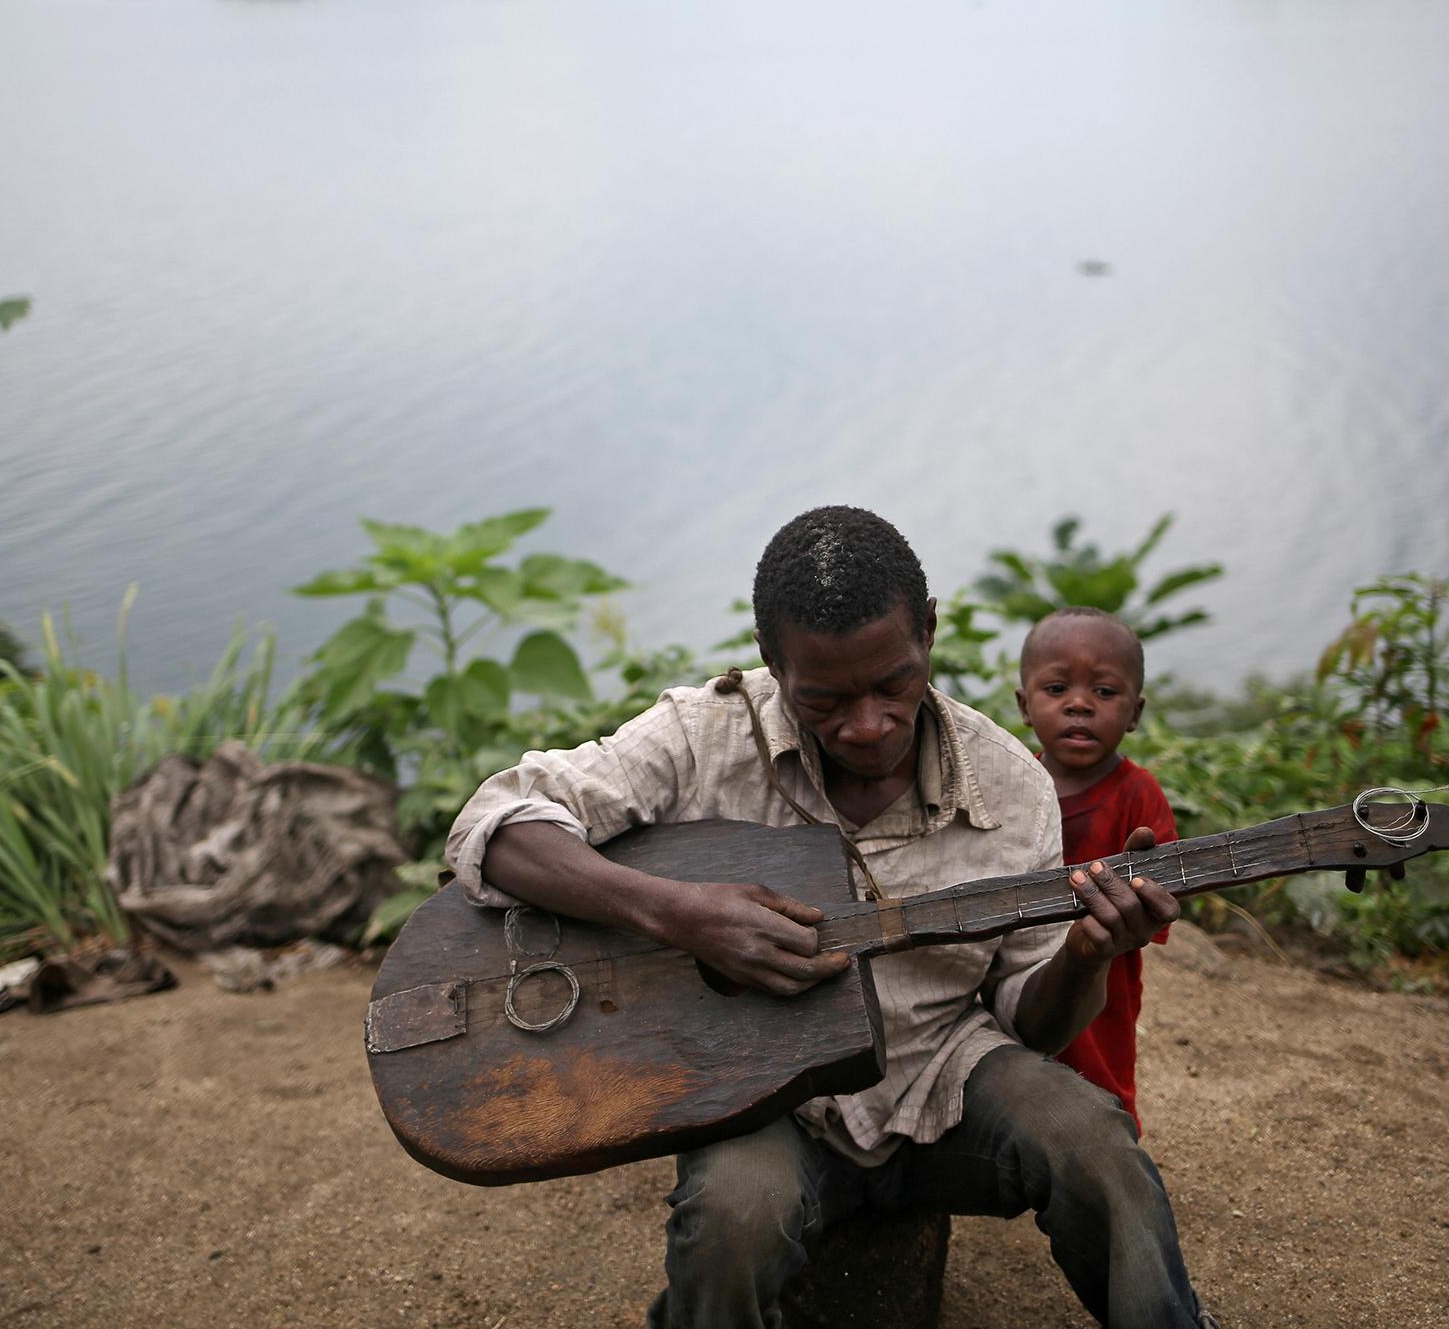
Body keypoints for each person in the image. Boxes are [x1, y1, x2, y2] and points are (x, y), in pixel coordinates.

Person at [445, 506, 1214, 1329]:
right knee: (732, 1221)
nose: (869, 724)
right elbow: (495, 824)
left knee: (1100, 1151)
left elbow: (1034, 1021)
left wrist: (1087, 954)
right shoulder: (701, 738)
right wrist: (679, 914)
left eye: (894, 683)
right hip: (768, 1103)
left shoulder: (1011, 785)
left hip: (943, 1074)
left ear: (927, 631)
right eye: (825, 699)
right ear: (772, 662)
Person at [1017, 607, 1179, 1133]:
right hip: (1020, 968)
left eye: (1105, 693)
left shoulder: (1139, 795)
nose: (1080, 704)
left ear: (1135, 711)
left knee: (1098, 1077)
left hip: (1106, 976)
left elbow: (1168, 889)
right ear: (1025, 704)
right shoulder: (1013, 786)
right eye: (1057, 688)